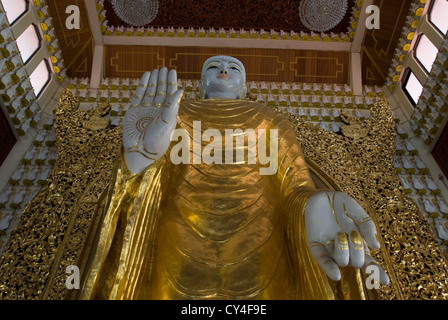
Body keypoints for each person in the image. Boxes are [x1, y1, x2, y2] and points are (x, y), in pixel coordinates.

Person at [79, 55, 389, 300]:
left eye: (233, 67)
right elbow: (154, 189)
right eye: (213, 66)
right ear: (202, 84)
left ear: (244, 87)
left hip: (259, 237)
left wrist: (317, 203)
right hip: (179, 232)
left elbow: (294, 188)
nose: (223, 69)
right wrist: (139, 162)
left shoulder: (271, 120)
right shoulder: (176, 113)